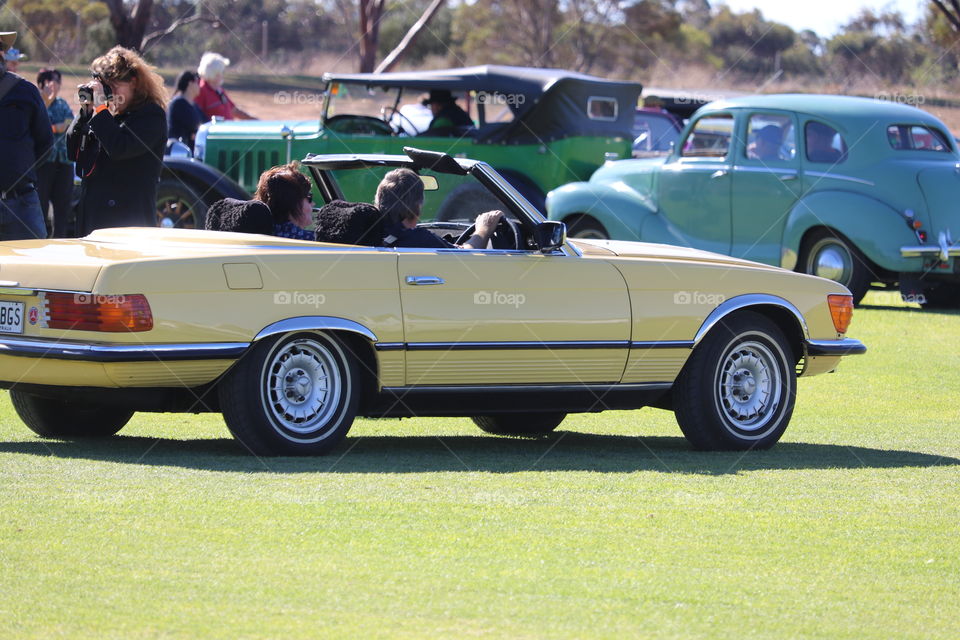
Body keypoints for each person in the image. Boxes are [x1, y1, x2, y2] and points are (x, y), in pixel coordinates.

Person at [66, 46, 168, 234]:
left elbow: (120, 147)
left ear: (134, 82)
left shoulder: (151, 116)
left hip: (128, 223)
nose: (110, 93)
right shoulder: (106, 116)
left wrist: (100, 111)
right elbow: (73, 151)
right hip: (94, 218)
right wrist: (85, 113)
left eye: (114, 86)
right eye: (106, 87)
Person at [0, 31, 53, 241]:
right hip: (22, 202)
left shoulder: (25, 91)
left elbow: (45, 144)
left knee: (34, 269)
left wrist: (19, 173)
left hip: (22, 203)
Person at [376, 168, 501, 249]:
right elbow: (467, 256)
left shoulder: (370, 232)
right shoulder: (419, 239)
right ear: (417, 206)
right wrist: (484, 229)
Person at [35, 68, 75, 238]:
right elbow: (38, 125)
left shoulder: (62, 103)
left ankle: (60, 239)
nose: (55, 86)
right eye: (52, 82)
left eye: (58, 82)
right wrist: (54, 127)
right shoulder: (37, 102)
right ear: (42, 84)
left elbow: (69, 122)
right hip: (44, 162)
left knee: (62, 207)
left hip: (64, 161)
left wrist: (58, 127)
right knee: (41, 206)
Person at [254, 162, 316, 240]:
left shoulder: (257, 234)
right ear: (292, 202)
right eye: (309, 198)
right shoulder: (313, 241)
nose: (313, 204)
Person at [195, 52, 254, 122]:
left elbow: (234, 110)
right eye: (221, 72)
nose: (222, 74)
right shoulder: (200, 91)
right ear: (214, 73)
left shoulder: (219, 90)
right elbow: (196, 118)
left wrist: (256, 120)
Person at [167, 70, 204, 150]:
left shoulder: (194, 106)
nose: (199, 86)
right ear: (190, 83)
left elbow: (204, 124)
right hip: (179, 151)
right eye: (198, 83)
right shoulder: (178, 104)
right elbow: (193, 128)